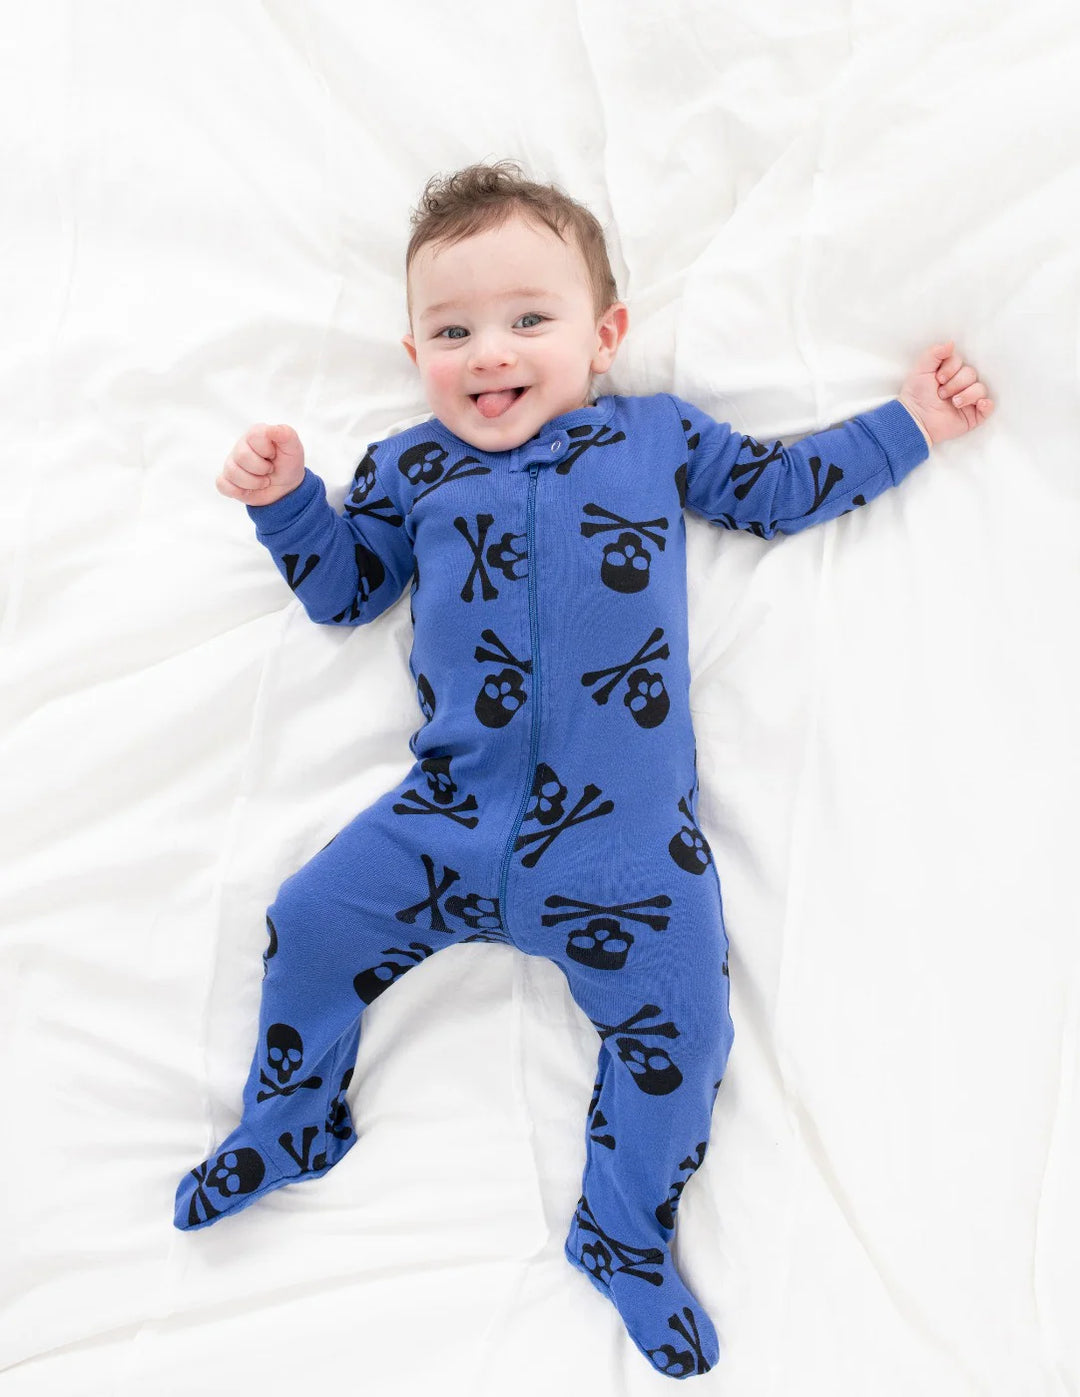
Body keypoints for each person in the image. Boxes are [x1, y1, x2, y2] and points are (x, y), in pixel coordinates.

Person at [175, 160, 993, 1380]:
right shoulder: (410, 469)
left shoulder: (653, 438)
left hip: (620, 843)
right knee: (305, 923)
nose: (490, 352)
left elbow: (775, 493)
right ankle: (293, 1124)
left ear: (604, 335)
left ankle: (622, 1226)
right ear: (413, 351)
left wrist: (913, 423)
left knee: (686, 1027)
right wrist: (290, 502)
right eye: (452, 330)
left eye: (527, 319)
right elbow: (347, 593)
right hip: (444, 817)